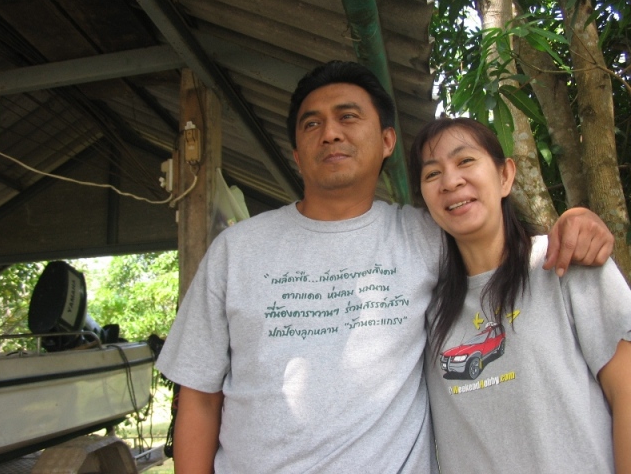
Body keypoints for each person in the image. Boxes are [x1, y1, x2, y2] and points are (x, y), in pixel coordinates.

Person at [156, 61, 614, 474]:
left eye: (348, 117)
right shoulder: (236, 251)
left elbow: (495, 238)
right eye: (311, 124)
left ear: (387, 141)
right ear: (296, 154)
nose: (330, 133)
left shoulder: (426, 236)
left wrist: (576, 221)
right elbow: (199, 398)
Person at [410, 117, 631, 474]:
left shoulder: (565, 262)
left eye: (465, 161)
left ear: (505, 176)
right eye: (432, 173)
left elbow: (626, 391)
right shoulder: (424, 310)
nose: (451, 181)